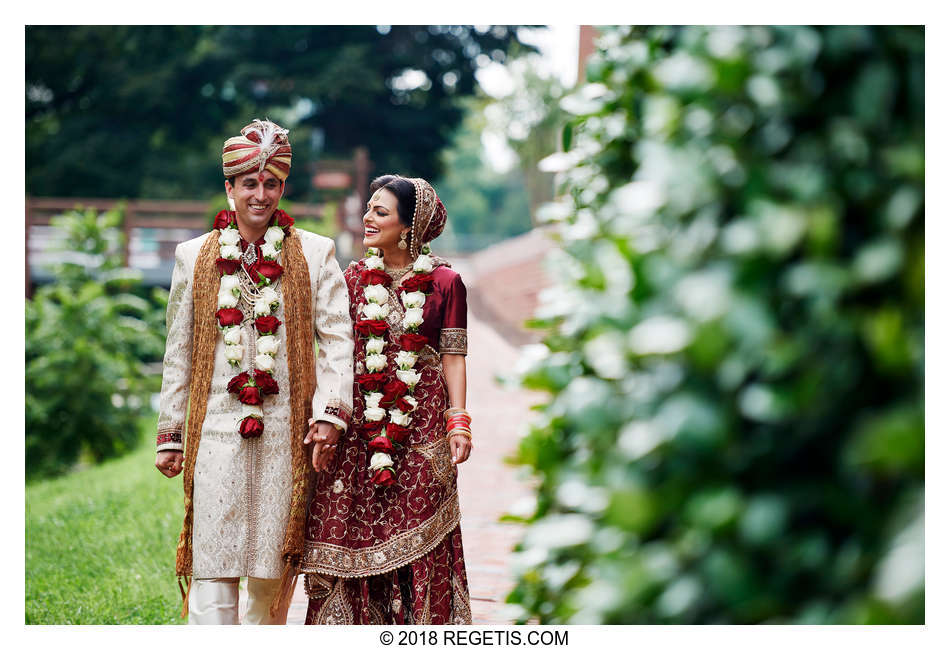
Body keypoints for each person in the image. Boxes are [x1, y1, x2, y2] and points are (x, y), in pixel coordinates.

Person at [153, 118, 354, 624]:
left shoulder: (314, 252)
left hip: (285, 433)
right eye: (249, 183)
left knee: (269, 580)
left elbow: (336, 341)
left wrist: (330, 413)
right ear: (229, 187)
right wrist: (171, 434)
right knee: (212, 569)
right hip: (214, 429)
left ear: (283, 187)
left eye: (270, 183)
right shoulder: (193, 256)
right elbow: (179, 348)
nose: (260, 195)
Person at [299, 174, 473, 624]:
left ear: (410, 224)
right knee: (351, 525)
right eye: (368, 209)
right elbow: (334, 350)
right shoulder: (353, 279)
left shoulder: (445, 283)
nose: (368, 219)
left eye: (381, 212)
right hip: (361, 427)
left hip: (423, 425)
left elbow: (453, 357)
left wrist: (459, 422)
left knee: (421, 526)